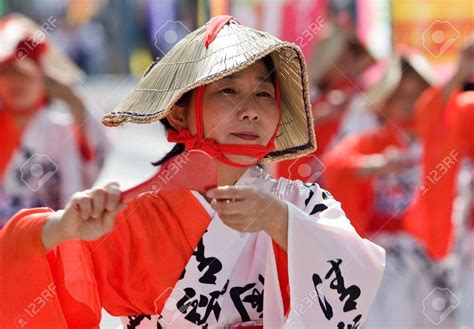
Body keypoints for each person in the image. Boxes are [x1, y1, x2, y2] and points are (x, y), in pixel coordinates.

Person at [0, 16, 385, 328]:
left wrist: (278, 219)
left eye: (264, 94)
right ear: (179, 112)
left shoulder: (306, 205)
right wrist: (61, 229)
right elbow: (24, 274)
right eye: (228, 91)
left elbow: (359, 274)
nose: (250, 109)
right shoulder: (137, 214)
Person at [323, 48, 436, 327]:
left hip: (433, 257)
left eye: (419, 96)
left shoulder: (439, 142)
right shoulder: (371, 141)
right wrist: (374, 166)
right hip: (382, 254)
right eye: (402, 96)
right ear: (386, 101)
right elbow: (336, 165)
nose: (411, 105)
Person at [0, 14, 109, 227]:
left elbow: (88, 171)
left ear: (43, 77)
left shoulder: (60, 128)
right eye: (6, 73)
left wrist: (74, 99)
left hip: (47, 238)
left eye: (25, 73)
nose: (16, 82)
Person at [272, 20, 377, 183]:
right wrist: (320, 115)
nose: (347, 66)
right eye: (341, 59)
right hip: (303, 180)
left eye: (351, 59)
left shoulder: (361, 94)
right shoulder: (304, 94)